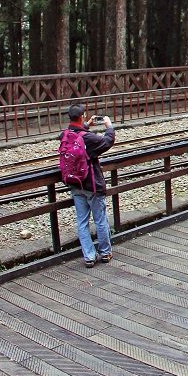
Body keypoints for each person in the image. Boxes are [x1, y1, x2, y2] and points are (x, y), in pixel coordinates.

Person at [61, 104, 116, 268]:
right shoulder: (88, 138)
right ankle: (105, 253)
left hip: (75, 184)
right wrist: (109, 126)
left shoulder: (65, 134)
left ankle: (89, 257)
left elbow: (76, 134)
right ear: (82, 116)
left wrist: (86, 125)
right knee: (100, 220)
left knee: (82, 222)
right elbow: (107, 141)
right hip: (91, 184)